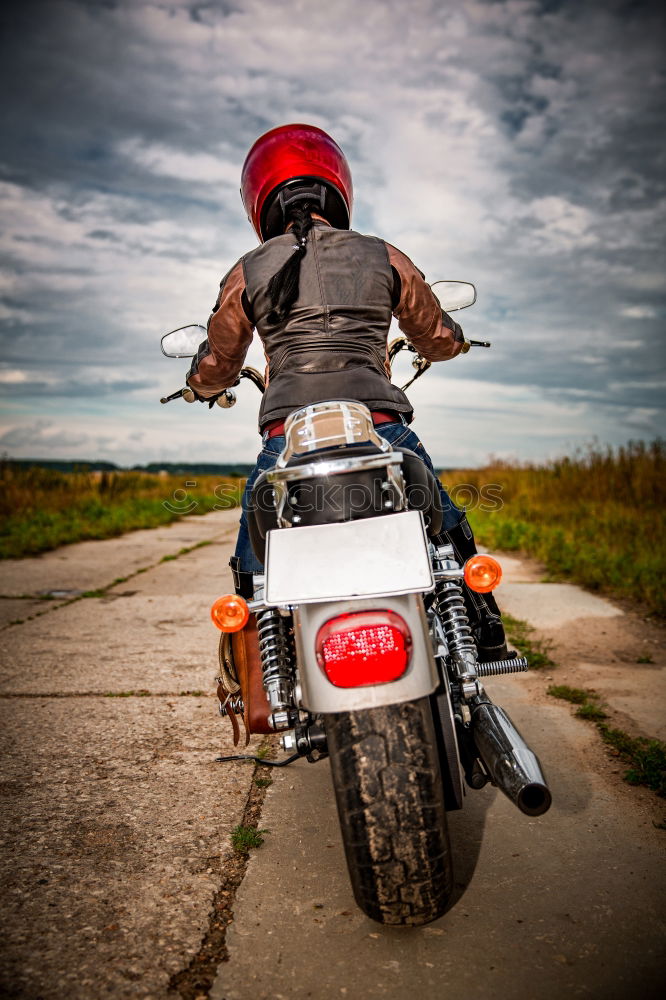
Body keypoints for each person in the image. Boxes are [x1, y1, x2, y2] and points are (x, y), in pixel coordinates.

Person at [187, 124, 507, 662]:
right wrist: (455, 341)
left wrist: (199, 382)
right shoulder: (382, 255)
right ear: (337, 191)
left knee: (254, 542)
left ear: (260, 200)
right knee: (444, 522)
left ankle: (259, 656)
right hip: (379, 424)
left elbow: (219, 363)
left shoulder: (247, 271)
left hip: (289, 436)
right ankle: (484, 622)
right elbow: (437, 335)